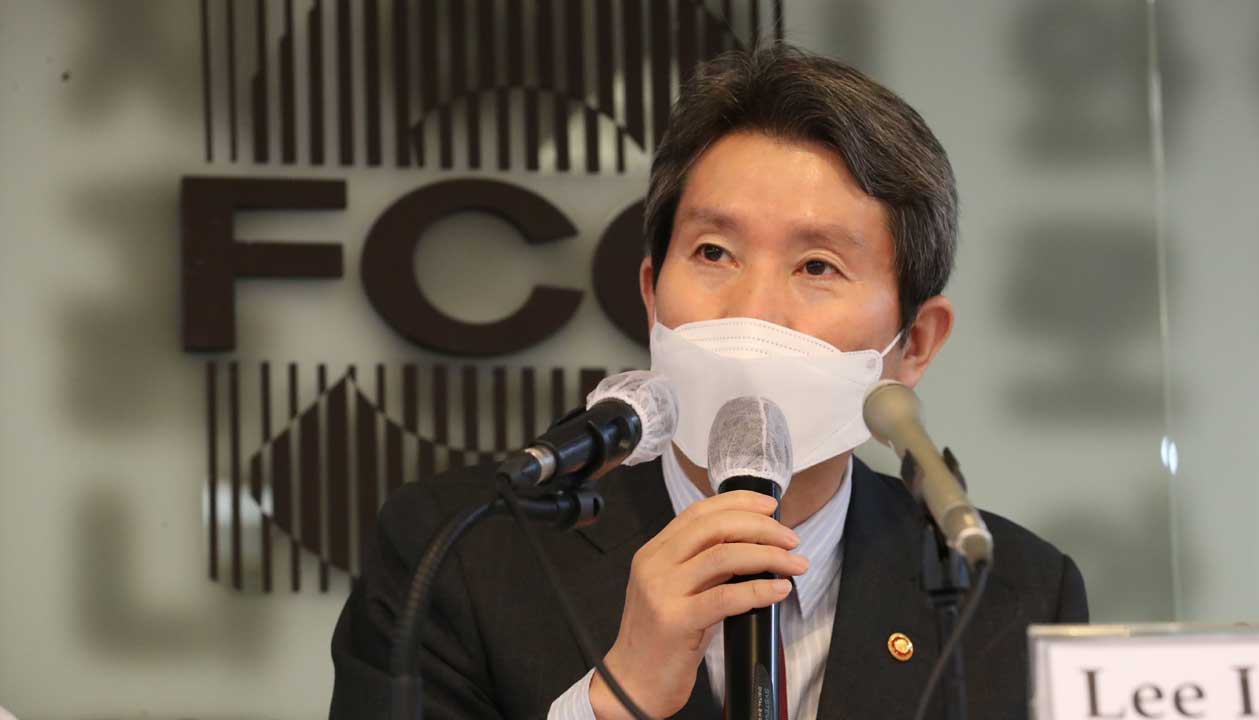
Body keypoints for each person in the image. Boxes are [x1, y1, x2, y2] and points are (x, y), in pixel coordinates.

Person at [329, 43, 1088, 720]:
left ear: (915, 342)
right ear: (652, 293)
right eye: (714, 253)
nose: (752, 310)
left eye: (816, 265)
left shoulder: (1013, 594)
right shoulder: (457, 555)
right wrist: (612, 703)